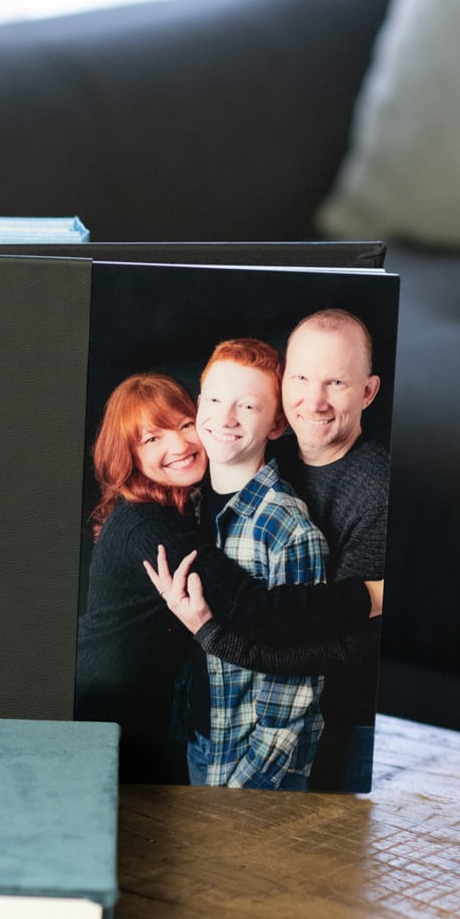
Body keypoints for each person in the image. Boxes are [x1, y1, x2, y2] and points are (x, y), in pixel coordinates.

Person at [148, 310, 388, 791]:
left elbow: (337, 650)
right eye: (300, 378)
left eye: (336, 382)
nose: (314, 401)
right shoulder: (268, 457)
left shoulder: (379, 492)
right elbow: (260, 604)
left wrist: (210, 631)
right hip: (230, 725)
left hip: (340, 729)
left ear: (367, 392)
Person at [177, 338, 328, 789]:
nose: (225, 418)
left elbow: (295, 685)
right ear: (199, 404)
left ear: (277, 423)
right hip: (203, 740)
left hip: (251, 766)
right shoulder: (191, 501)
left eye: (247, 406)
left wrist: (243, 785)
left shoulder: (288, 528)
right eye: (216, 400)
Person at [75, 374, 209, 784]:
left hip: (136, 705)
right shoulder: (150, 527)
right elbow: (243, 601)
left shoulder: (171, 506)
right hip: (107, 710)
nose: (180, 445)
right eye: (153, 438)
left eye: (186, 425)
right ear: (129, 454)